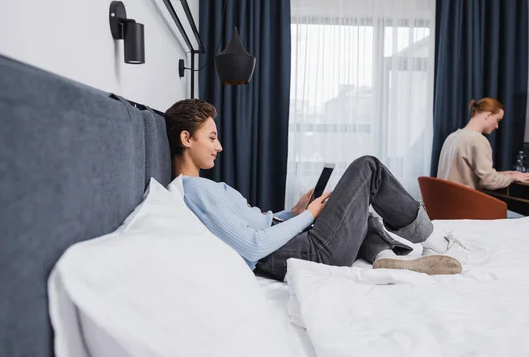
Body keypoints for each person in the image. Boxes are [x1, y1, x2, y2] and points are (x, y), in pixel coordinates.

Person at [165, 99, 487, 281]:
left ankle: (385, 257)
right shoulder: (197, 191)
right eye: (211, 137)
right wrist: (307, 217)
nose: (219, 146)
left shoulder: (200, 188)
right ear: (186, 139)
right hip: (308, 252)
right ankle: (438, 242)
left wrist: (291, 213)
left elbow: (255, 225)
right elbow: (252, 246)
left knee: (364, 211)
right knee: (368, 167)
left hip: (299, 243)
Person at [437, 97, 529, 190]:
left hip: (445, 201)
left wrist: (505, 174)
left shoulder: (452, 137)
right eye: (497, 120)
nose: (497, 126)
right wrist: (513, 178)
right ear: (488, 115)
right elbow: (489, 182)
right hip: (464, 202)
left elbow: (464, 174)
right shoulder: (478, 140)